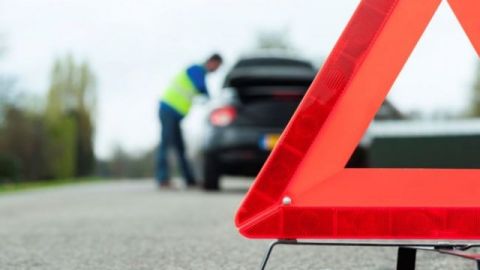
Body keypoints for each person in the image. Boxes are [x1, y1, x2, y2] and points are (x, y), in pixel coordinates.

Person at [156, 54, 223, 188]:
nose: (216, 70)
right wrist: (213, 100)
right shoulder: (196, 69)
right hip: (168, 109)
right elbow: (201, 87)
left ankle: (189, 179)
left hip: (174, 113)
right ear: (212, 62)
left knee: (180, 147)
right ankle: (162, 178)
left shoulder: (199, 73)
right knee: (166, 144)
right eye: (217, 66)